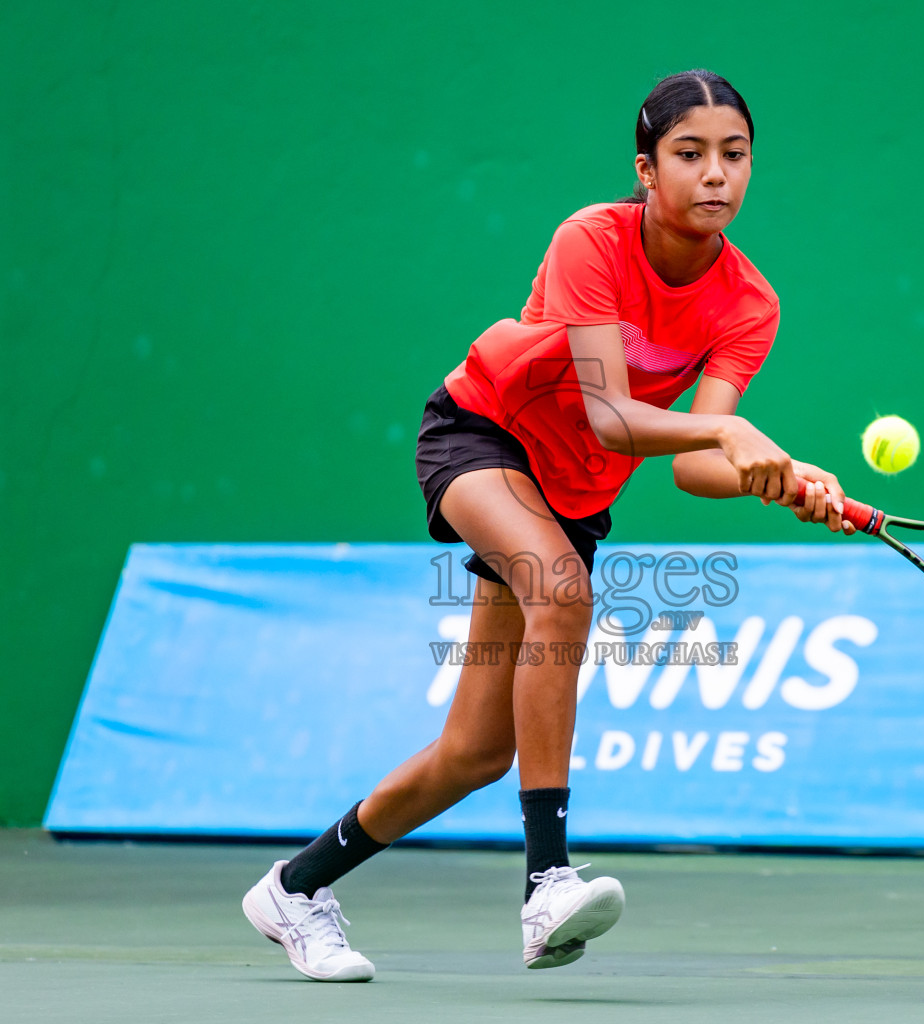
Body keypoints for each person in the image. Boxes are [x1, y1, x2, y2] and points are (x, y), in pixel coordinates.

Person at [241, 68, 852, 982]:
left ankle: (296, 887)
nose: (715, 174)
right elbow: (613, 414)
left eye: (735, 154)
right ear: (647, 170)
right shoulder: (592, 240)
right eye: (690, 155)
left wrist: (783, 476)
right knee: (561, 588)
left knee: (475, 752)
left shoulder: (748, 303)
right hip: (483, 432)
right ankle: (547, 884)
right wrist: (729, 428)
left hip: (571, 490)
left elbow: (691, 466)